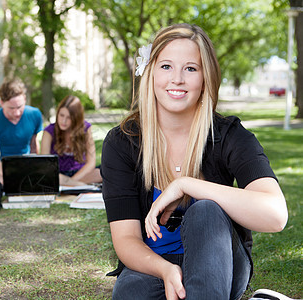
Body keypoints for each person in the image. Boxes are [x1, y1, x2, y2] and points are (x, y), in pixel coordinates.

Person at [100, 23, 288, 300]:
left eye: (190, 68)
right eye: (166, 66)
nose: (176, 79)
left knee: (206, 210)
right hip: (156, 264)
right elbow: (126, 239)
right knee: (130, 292)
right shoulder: (122, 141)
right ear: (150, 73)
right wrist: (165, 270)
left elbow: (275, 215)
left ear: (205, 78)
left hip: (222, 265)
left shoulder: (229, 135)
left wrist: (187, 185)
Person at [40, 95, 102, 186]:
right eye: (61, 115)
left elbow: (91, 162)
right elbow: (45, 164)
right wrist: (71, 183)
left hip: (80, 174)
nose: (63, 121)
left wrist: (71, 182)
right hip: (58, 175)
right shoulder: (49, 131)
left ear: (76, 118)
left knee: (100, 173)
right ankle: (81, 186)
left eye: (69, 118)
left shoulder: (85, 128)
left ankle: (70, 186)